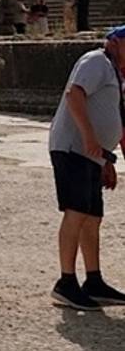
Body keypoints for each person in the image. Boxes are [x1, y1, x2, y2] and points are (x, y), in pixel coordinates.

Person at [46, 27, 125, 311]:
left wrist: (107, 160)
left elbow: (113, 117)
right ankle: (66, 282)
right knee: (76, 212)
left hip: (92, 156)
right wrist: (90, 137)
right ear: (115, 42)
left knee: (93, 217)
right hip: (73, 148)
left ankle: (94, 280)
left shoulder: (115, 73)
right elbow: (74, 95)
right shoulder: (96, 61)